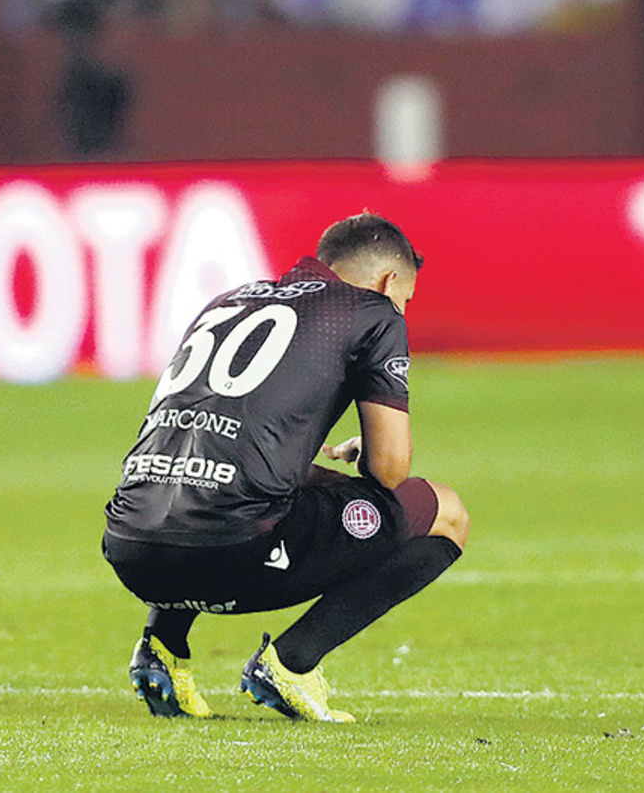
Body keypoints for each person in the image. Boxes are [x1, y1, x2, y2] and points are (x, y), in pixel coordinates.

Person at [102, 212, 469, 721]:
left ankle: (160, 648)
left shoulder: (229, 300)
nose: (401, 308)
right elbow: (390, 472)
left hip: (130, 546)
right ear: (388, 282)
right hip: (230, 551)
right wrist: (373, 450)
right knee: (446, 512)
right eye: (405, 297)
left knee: (226, 477)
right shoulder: (372, 312)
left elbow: (224, 440)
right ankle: (292, 662)